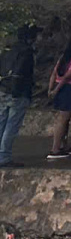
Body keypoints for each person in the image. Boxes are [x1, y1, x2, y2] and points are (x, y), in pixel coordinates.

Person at [0, 25, 36, 167]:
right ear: (30, 38)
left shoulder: (8, 50)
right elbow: (23, 72)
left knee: (2, 122)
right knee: (12, 125)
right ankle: (3, 156)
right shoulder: (26, 52)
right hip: (18, 93)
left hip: (3, 89)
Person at [47, 33, 71, 160]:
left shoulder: (64, 57)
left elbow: (54, 74)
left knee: (65, 119)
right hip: (69, 89)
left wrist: (51, 88)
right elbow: (68, 76)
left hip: (60, 87)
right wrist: (56, 90)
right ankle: (55, 149)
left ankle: (64, 145)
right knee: (63, 119)